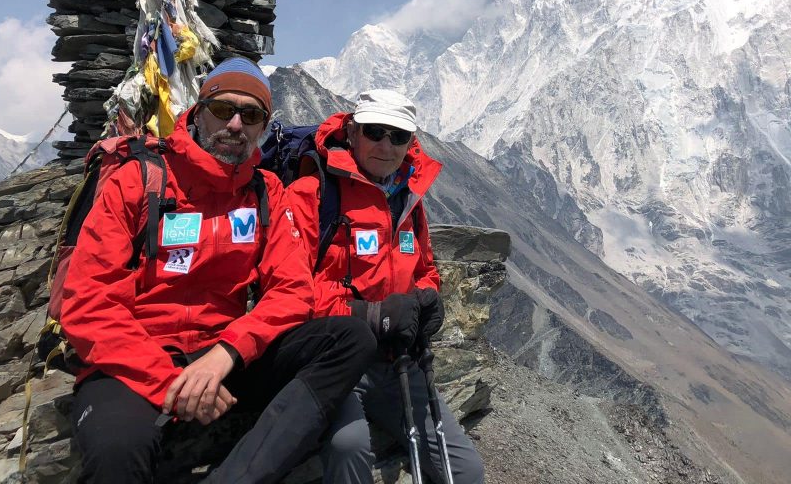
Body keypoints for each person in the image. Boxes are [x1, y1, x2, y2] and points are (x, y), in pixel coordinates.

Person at [61, 57, 377, 483]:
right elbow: (89, 302)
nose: (235, 125)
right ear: (198, 111)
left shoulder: (266, 192)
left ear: (263, 127)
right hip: (134, 357)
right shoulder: (138, 180)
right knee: (117, 451)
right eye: (223, 109)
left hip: (224, 351)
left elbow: (292, 291)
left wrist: (225, 354)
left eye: (251, 115)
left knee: (350, 337)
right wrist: (172, 382)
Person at [279, 89, 485, 484]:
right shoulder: (313, 194)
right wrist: (370, 315)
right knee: (348, 447)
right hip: (334, 360)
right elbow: (290, 290)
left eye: (398, 136)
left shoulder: (408, 198)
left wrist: (428, 297)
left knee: (465, 471)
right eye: (375, 132)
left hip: (397, 360)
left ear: (411, 142)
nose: (386, 146)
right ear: (352, 131)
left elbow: (424, 269)